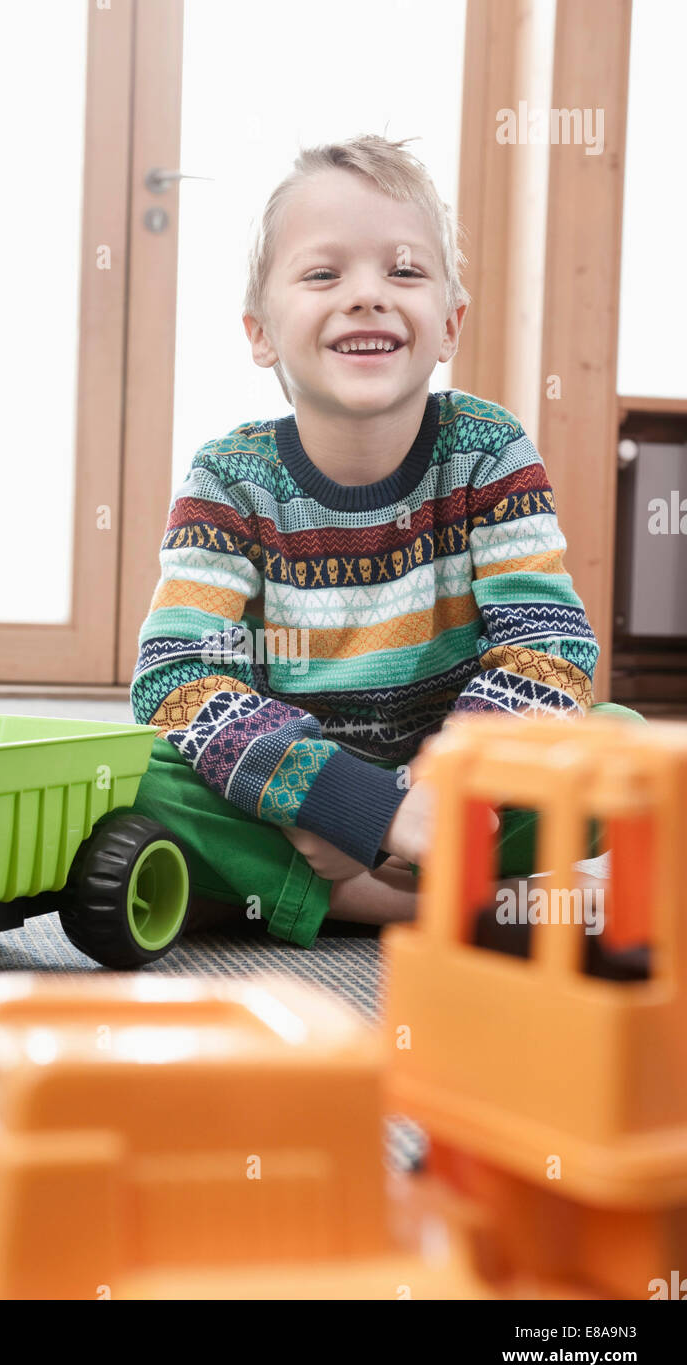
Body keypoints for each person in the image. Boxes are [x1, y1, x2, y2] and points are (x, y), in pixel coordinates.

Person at [129, 134, 641, 949]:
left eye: (403, 271)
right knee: (137, 783)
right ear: (261, 333)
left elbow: (549, 649)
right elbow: (177, 679)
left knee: (622, 749)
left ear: (448, 324)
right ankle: (440, 906)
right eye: (324, 273)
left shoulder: (488, 448)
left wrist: (427, 798)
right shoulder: (227, 480)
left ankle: (313, 893)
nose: (367, 295)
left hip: (461, 795)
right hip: (295, 796)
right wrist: (345, 804)